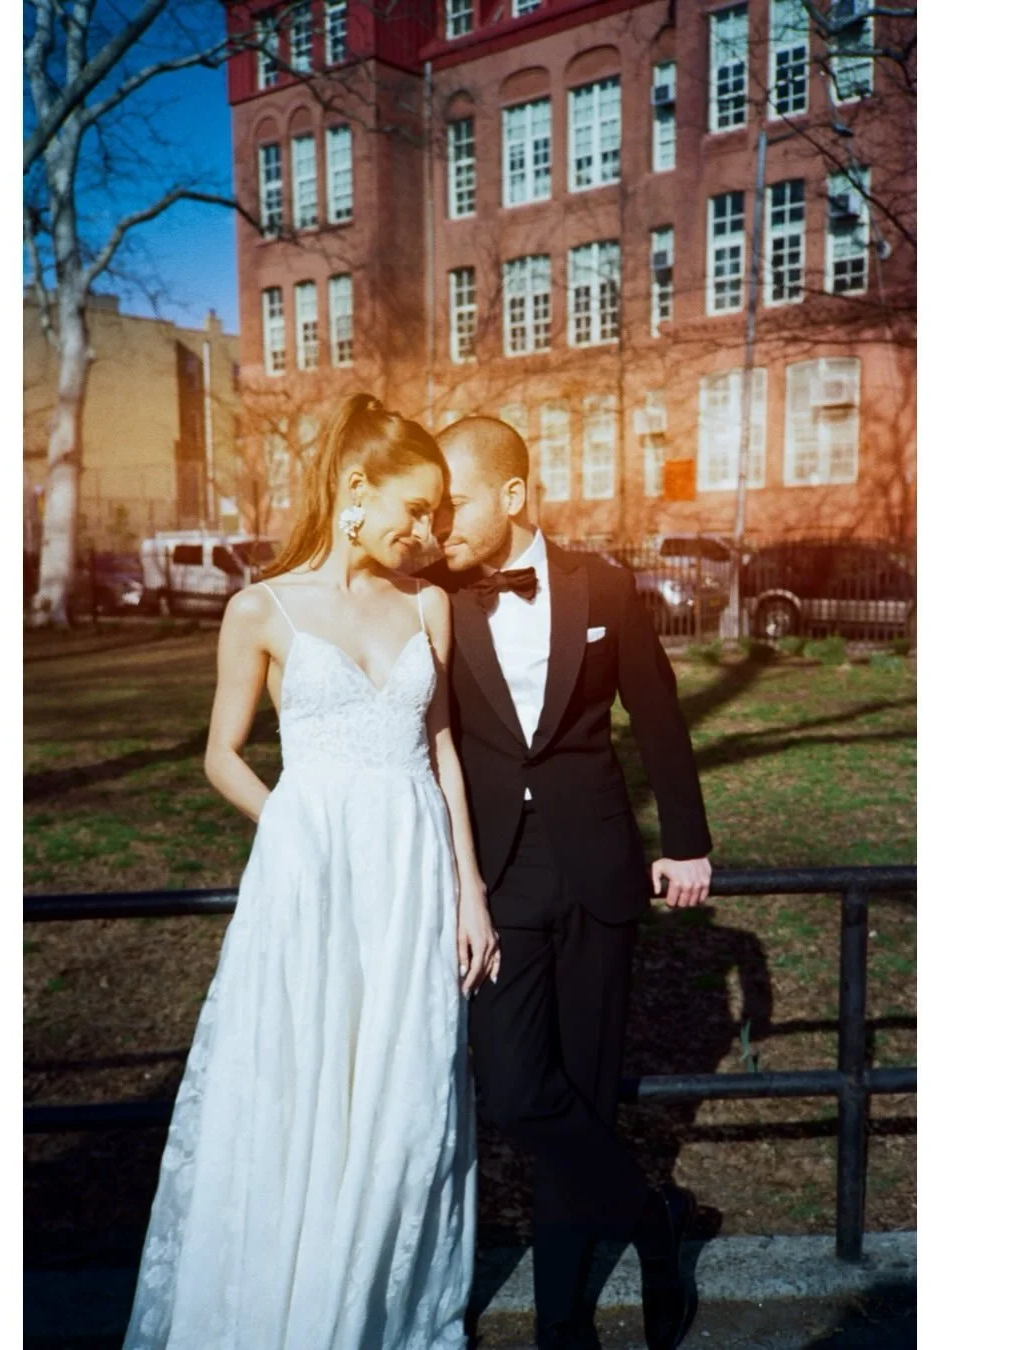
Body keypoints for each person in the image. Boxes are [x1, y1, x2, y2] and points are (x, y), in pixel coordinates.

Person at [121, 393, 499, 1350]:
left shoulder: (429, 605)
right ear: (355, 491)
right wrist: (290, 822)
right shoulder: (261, 607)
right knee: (303, 1075)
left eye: (439, 514)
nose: (429, 532)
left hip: (413, 874)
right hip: (311, 878)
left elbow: (442, 745)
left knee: (404, 1090)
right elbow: (221, 754)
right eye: (415, 510)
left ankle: (375, 1306)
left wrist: (473, 891)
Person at [424, 416, 713, 1350]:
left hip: (599, 871)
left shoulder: (604, 585)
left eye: (453, 501)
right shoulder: (434, 596)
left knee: (582, 1099)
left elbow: (659, 714)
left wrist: (687, 840)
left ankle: (560, 1323)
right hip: (497, 878)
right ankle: (654, 1221)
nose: (437, 521)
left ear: (511, 496)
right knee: (514, 1090)